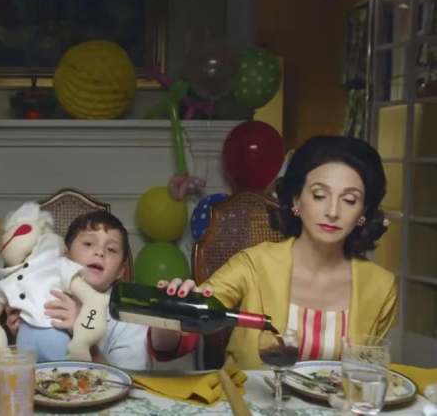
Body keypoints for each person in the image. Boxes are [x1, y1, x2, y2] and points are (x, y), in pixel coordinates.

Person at [150, 135, 396, 369]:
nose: (332, 211)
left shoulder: (380, 286)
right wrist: (169, 319)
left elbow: (368, 373)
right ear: (296, 200)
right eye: (319, 195)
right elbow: (183, 333)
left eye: (350, 200)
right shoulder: (254, 264)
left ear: (363, 212)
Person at [5, 210, 151, 370]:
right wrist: (22, 330)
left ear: (121, 271)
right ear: (65, 255)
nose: (100, 252)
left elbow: (128, 380)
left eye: (111, 249)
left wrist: (82, 336)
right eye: (88, 244)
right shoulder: (41, 294)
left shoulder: (130, 320)